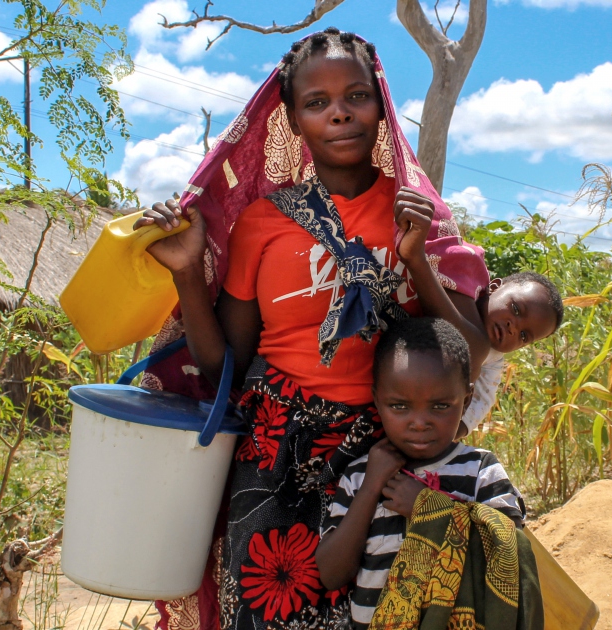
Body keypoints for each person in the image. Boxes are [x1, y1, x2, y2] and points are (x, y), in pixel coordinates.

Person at [134, 28, 490, 630]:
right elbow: (225, 368)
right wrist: (189, 277)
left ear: (380, 106)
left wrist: (416, 259)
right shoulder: (261, 223)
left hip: (389, 448)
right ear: (293, 121)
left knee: (388, 612)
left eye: (356, 95)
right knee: (264, 612)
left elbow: (470, 355)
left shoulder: (415, 214)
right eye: (317, 102)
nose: (340, 113)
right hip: (276, 450)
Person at [315, 317, 526, 629]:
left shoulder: (481, 470)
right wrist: (372, 487)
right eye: (399, 407)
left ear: (466, 400)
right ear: (377, 400)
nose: (419, 422)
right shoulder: (360, 476)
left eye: (440, 407)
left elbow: (510, 556)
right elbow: (332, 574)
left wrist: (428, 508)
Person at [392, 196, 565, 433]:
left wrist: (456, 431)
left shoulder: (491, 359)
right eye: (515, 309)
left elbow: (483, 400)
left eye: (524, 335)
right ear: (493, 287)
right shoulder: (465, 279)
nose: (513, 328)